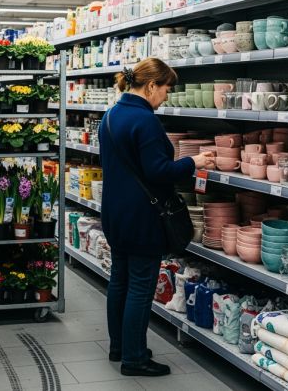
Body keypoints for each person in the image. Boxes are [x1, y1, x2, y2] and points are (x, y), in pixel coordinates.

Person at [98, 58, 213, 377]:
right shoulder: (144, 121)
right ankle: (134, 358)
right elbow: (159, 172)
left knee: (119, 280)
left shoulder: (110, 115)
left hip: (115, 213)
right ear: (150, 86)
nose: (167, 95)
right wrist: (194, 161)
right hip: (143, 216)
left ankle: (119, 346)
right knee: (140, 286)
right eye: (166, 88)